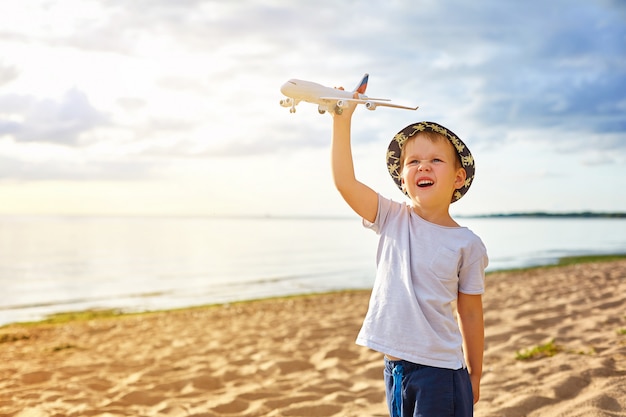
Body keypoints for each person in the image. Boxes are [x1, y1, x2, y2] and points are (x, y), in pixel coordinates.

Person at [330, 95, 488, 417]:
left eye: (435, 160)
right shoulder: (391, 217)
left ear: (458, 178)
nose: (423, 166)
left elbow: (470, 314)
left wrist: (475, 374)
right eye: (413, 161)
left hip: (441, 373)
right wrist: (341, 120)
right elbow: (345, 183)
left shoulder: (466, 244)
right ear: (402, 178)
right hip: (395, 369)